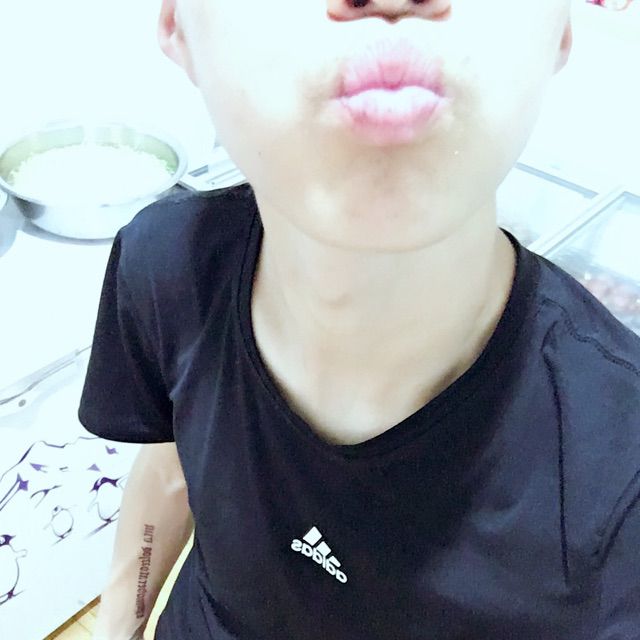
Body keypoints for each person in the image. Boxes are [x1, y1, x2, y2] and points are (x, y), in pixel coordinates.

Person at [78, 0, 640, 638]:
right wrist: (119, 627)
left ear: (559, 30)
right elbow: (172, 466)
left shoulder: (619, 467)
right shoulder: (168, 263)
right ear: (177, 25)